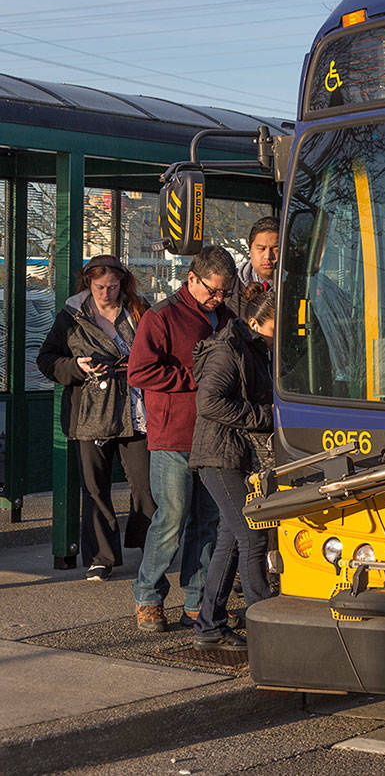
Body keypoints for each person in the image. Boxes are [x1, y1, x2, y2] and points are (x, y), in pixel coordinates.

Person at [128, 246, 236, 632]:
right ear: (191, 279)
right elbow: (139, 372)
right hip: (173, 436)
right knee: (171, 518)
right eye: (213, 290)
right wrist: (194, 380)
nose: (219, 298)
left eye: (225, 291)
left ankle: (197, 600)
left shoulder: (225, 317)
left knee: (206, 522)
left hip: (213, 436)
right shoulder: (161, 316)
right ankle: (148, 596)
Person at [37, 255, 153, 580]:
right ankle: (102, 557)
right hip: (90, 410)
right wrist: (76, 367)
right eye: (100, 286)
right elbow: (46, 358)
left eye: (113, 286)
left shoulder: (138, 309)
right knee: (95, 489)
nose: (106, 293)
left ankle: (148, 547)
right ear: (88, 283)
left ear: (123, 283)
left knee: (145, 486)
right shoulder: (72, 315)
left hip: (135, 409)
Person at [189, 287, 276, 652]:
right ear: (255, 322)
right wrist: (264, 418)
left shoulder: (251, 347)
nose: (278, 338)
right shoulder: (228, 350)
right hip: (219, 456)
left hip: (232, 456)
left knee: (231, 539)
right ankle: (264, 623)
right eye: (275, 329)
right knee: (252, 535)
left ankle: (209, 625)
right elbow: (208, 402)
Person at [234, 216, 279, 322]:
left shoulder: (302, 288)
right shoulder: (230, 287)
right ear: (250, 250)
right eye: (261, 249)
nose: (268, 256)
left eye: (276, 249)